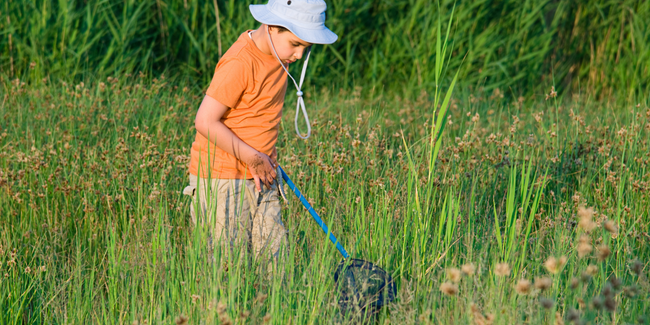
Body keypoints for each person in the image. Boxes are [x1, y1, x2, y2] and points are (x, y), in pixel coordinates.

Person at [183, 0, 337, 274]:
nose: (300, 55)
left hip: (262, 173)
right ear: (271, 27)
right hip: (223, 177)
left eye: (306, 47)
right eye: (295, 44)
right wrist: (252, 157)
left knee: (276, 261)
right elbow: (205, 121)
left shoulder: (281, 56)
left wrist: (261, 159)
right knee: (226, 268)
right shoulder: (240, 62)